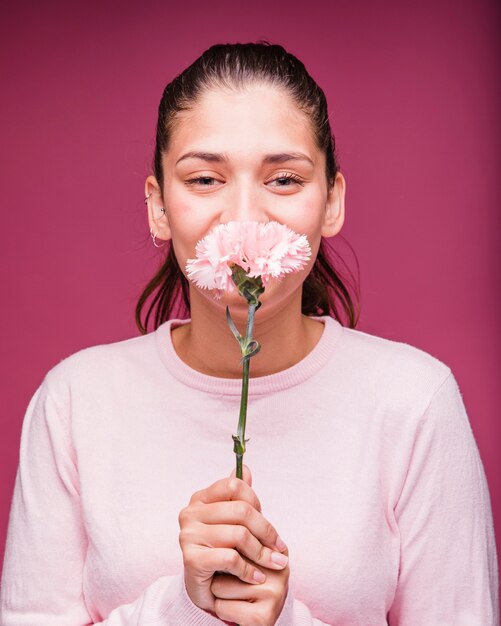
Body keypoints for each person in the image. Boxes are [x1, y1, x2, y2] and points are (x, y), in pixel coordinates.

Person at [0, 42, 498, 626]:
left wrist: (284, 619)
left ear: (332, 202)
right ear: (158, 207)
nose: (244, 219)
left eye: (284, 179)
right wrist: (183, 607)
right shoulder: (74, 403)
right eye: (205, 179)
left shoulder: (415, 402)